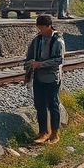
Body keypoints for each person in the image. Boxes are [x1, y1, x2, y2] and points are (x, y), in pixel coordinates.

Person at [25, 14, 65, 144]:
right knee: (39, 105)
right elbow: (29, 56)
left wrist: (41, 64)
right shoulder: (37, 40)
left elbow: (59, 60)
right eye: (38, 26)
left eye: (41, 27)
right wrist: (28, 68)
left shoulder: (58, 41)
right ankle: (43, 132)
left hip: (52, 78)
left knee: (53, 105)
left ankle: (55, 133)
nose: (39, 29)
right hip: (38, 77)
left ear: (48, 26)